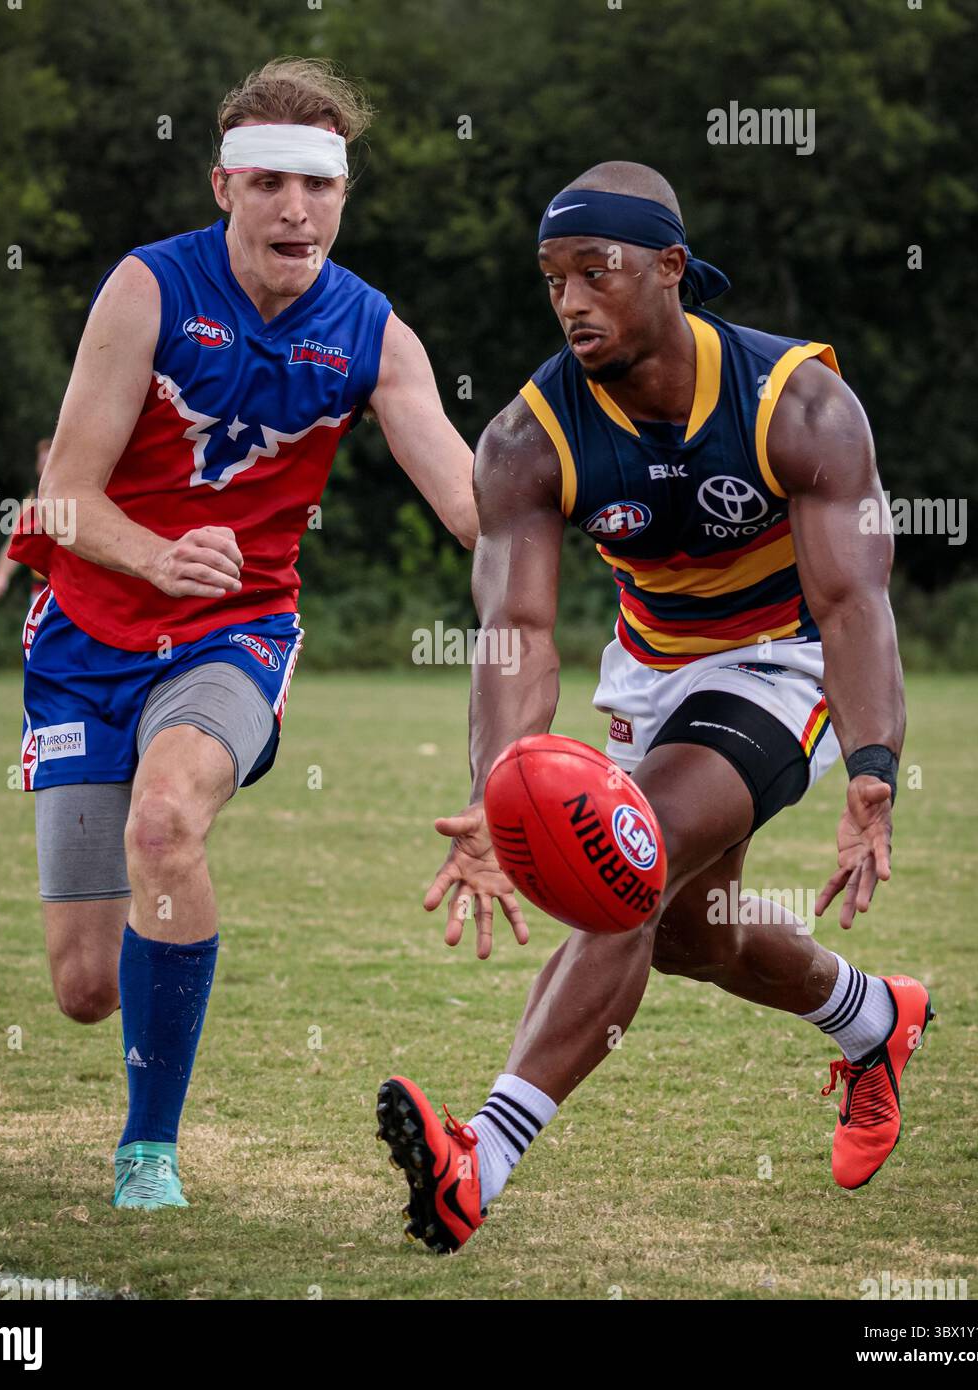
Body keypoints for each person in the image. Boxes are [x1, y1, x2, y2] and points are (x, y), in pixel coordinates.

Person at [378, 162, 933, 1254]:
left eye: (597, 271)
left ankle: (475, 1163)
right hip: (647, 673)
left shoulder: (797, 400)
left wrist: (874, 767)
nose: (572, 301)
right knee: (688, 931)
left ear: (671, 269)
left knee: (621, 865)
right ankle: (875, 1018)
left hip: (781, 664)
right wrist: (496, 789)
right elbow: (518, 633)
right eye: (552, 281)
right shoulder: (526, 438)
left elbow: (851, 601)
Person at [8, 58, 477, 1210]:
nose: (296, 209)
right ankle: (166, 964)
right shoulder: (146, 292)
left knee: (166, 823)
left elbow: (474, 508)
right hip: (84, 637)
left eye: (319, 186)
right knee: (81, 986)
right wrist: (157, 555)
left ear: (342, 197)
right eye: (269, 182)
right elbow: (65, 493)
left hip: (237, 632)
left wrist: (611, 504)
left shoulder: (372, 331)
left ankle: (148, 1151)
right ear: (223, 185)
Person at [0, 438, 52, 602]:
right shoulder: (31, 502)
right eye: (42, 462)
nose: (45, 467)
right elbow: (15, 542)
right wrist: (1, 575)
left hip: (72, 586)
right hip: (42, 588)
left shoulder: (75, 496)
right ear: (37, 467)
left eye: (49, 461)